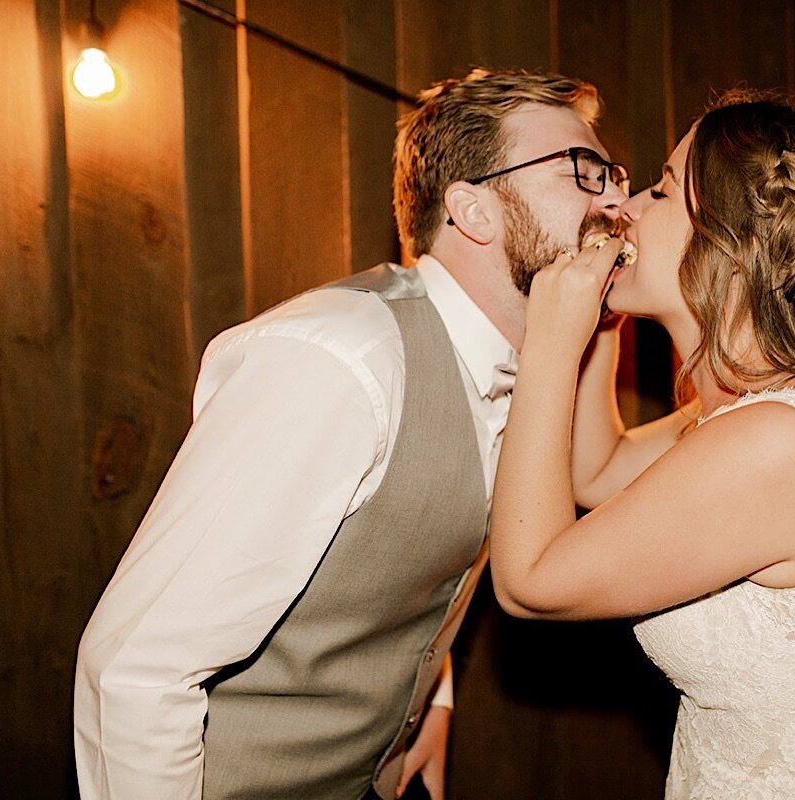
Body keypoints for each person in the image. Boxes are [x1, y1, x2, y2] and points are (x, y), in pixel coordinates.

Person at [73, 68, 628, 800]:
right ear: (475, 211)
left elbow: (400, 541)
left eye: (614, 173)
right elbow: (134, 670)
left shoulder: (523, 362)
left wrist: (431, 694)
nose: (618, 197)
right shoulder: (340, 361)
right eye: (583, 172)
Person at [489, 89, 795, 798]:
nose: (627, 210)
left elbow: (530, 583)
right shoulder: (767, 413)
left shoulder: (777, 440)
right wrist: (600, 321)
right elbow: (599, 473)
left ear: (730, 251)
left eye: (661, 190)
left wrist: (549, 342)